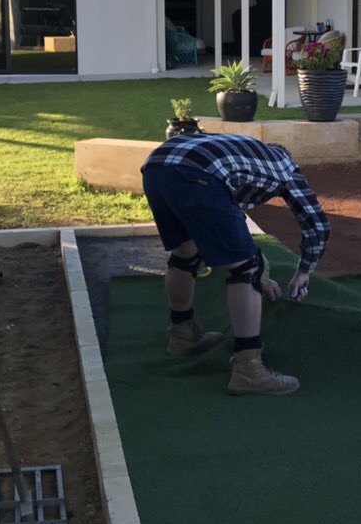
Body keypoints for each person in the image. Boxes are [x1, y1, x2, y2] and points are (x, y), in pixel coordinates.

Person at [140, 131, 330, 395]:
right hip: (196, 174)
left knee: (185, 253)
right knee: (246, 269)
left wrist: (262, 276)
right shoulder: (287, 169)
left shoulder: (242, 155)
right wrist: (303, 272)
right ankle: (249, 370)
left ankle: (182, 336)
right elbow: (317, 224)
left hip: (156, 167)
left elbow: (227, 224)